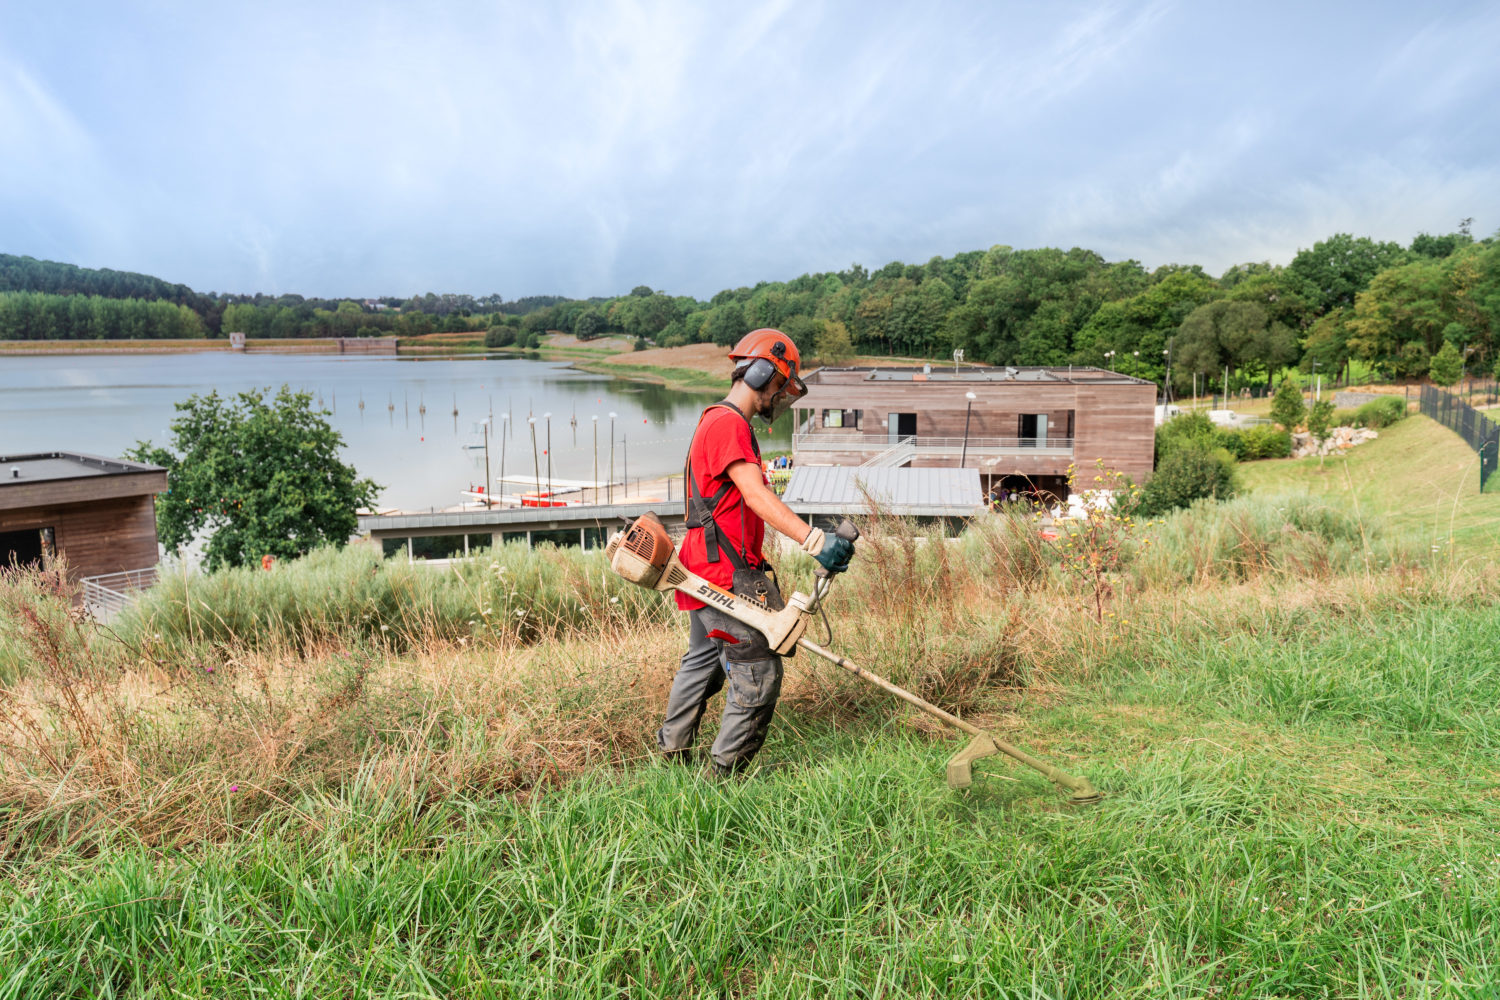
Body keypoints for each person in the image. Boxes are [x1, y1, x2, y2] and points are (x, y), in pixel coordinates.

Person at [657, 328, 856, 776]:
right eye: (780, 386)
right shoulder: (729, 424)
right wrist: (815, 540)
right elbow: (755, 496)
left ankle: (672, 757)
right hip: (722, 575)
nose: (779, 397)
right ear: (764, 371)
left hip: (704, 568)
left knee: (704, 664)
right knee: (758, 670)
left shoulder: (716, 420)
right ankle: (719, 784)